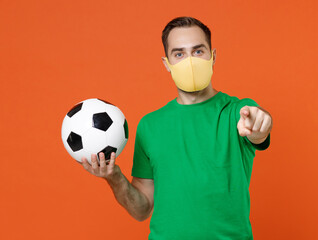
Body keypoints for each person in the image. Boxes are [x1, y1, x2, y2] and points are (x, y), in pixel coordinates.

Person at [81, 16, 273, 240]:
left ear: (213, 57)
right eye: (179, 54)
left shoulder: (237, 112)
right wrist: (114, 177)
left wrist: (261, 124)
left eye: (198, 51)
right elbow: (141, 210)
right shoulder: (150, 125)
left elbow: (260, 124)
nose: (190, 61)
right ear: (167, 64)